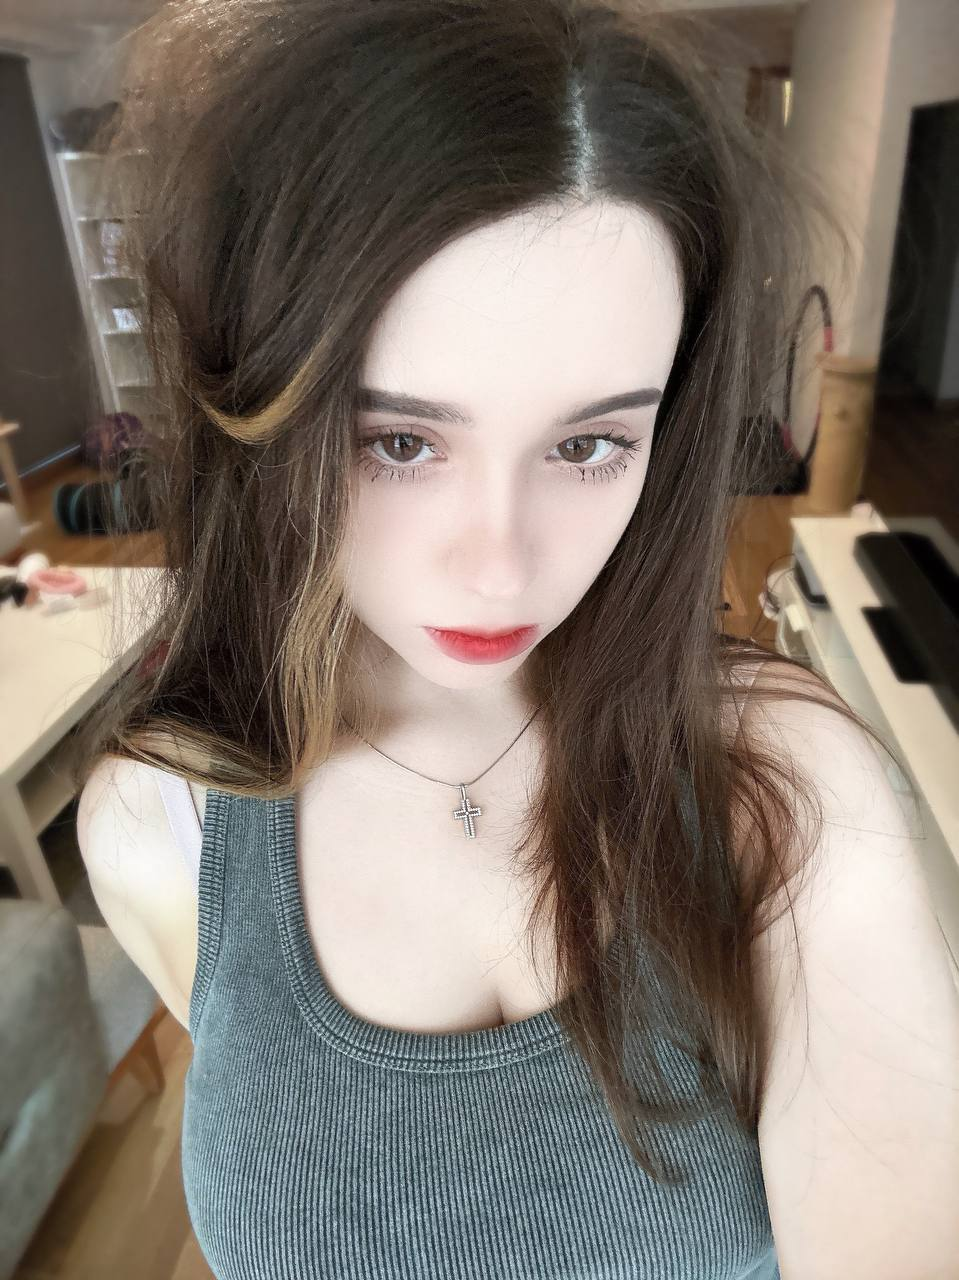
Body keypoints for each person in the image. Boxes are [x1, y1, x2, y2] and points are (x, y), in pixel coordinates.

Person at [72, 2, 959, 1278]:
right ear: (255, 408)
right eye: (398, 440)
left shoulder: (783, 790)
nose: (500, 564)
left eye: (587, 443)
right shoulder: (163, 821)